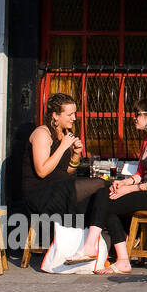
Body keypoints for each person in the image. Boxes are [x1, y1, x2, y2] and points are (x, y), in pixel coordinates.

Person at [67, 97, 147, 274]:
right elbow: (140, 174)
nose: (134, 118)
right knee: (106, 194)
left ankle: (95, 248)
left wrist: (130, 189)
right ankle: (120, 259)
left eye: (138, 114)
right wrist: (124, 182)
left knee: (105, 198)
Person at [21, 93, 102, 232]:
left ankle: (114, 240)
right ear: (56, 115)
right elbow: (42, 171)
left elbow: (67, 171)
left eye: (74, 113)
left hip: (60, 188)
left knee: (100, 197)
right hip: (40, 193)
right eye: (70, 114)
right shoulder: (42, 134)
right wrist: (63, 146)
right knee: (101, 184)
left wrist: (76, 154)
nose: (74, 118)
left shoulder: (64, 134)